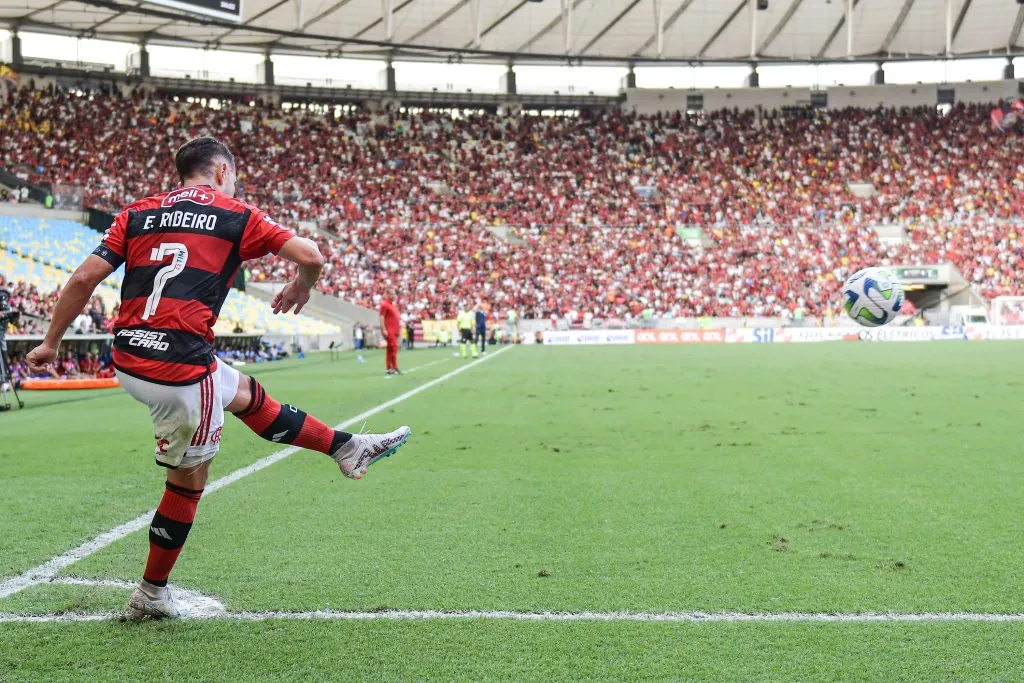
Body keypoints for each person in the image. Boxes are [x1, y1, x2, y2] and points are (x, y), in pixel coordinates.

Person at [25, 137, 411, 621]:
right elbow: (310, 255)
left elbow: (83, 279)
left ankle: (345, 447)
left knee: (245, 393)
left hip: (128, 357)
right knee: (189, 478)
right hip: (181, 370)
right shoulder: (234, 213)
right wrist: (301, 285)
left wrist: (50, 343)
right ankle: (150, 594)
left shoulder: (136, 213)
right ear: (223, 171)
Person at [379, 291, 401, 375]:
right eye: (391, 294)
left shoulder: (392, 305)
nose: (393, 295)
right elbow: (381, 317)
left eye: (394, 294)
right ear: (387, 294)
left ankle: (389, 368)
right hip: (389, 330)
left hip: (394, 330)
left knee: (390, 349)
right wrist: (384, 329)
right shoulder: (384, 304)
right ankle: (395, 367)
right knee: (394, 348)